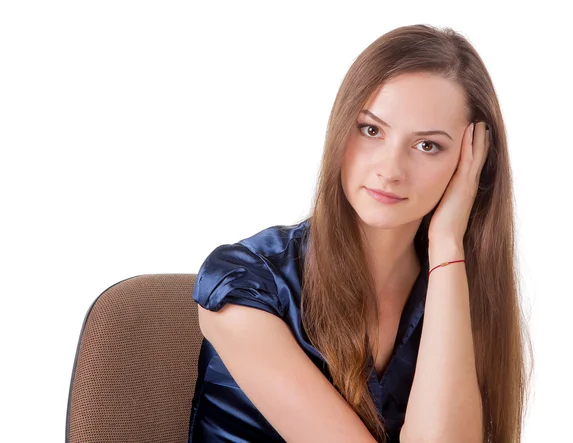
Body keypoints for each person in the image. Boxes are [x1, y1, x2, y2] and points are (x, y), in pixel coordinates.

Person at [187, 24, 533, 443]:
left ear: (471, 163)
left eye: (427, 146)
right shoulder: (245, 286)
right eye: (371, 130)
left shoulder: (451, 286)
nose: (390, 170)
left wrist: (446, 241)